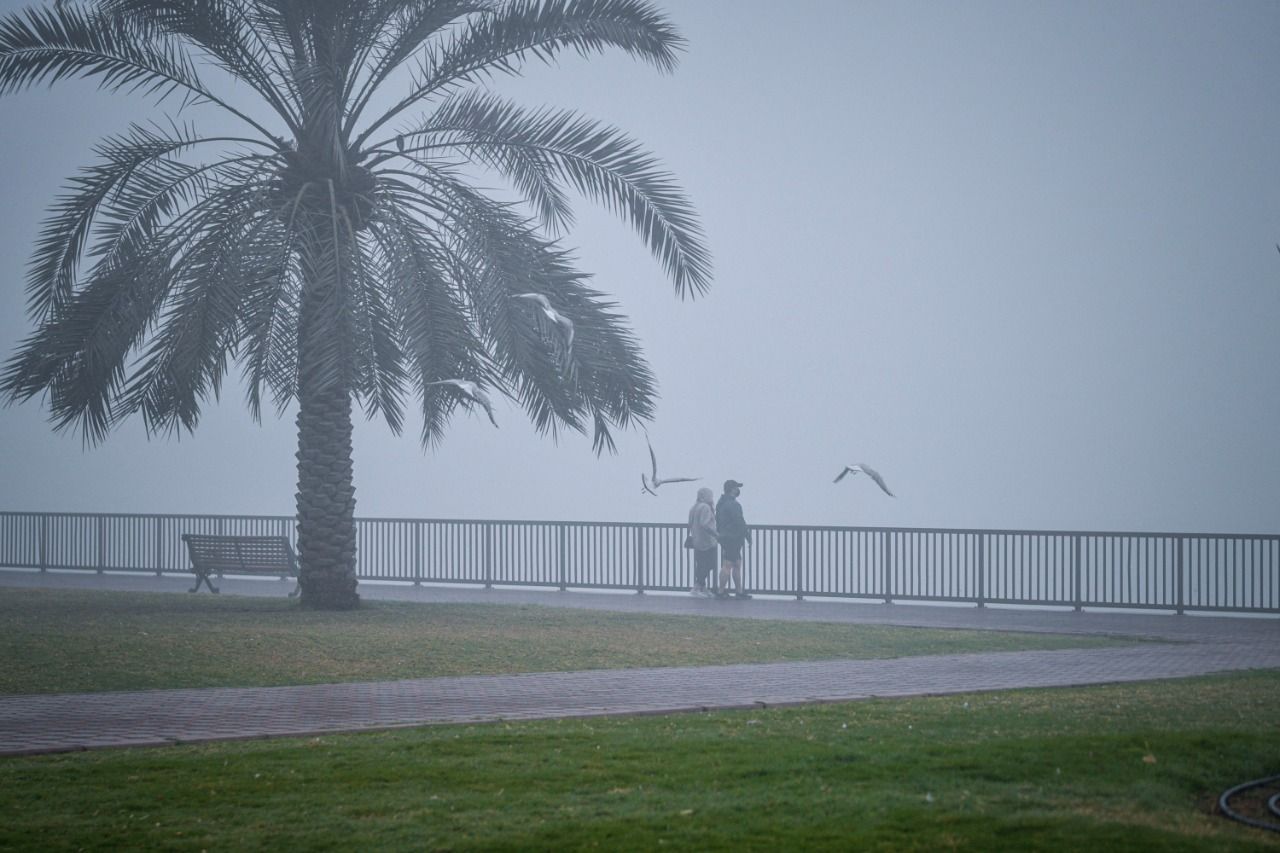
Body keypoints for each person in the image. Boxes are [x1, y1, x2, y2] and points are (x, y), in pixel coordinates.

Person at [715, 479, 751, 599]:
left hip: (725, 537)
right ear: (732, 489)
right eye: (736, 488)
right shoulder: (733, 504)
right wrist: (748, 536)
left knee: (736, 563)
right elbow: (739, 521)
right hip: (733, 538)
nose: (738, 490)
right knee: (728, 564)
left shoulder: (721, 502)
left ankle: (738, 591)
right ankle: (721, 592)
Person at [686, 487, 719, 597]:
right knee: (710, 564)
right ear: (705, 496)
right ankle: (696, 587)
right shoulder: (705, 507)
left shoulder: (694, 507)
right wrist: (716, 534)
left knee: (701, 564)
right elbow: (704, 524)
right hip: (707, 540)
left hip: (697, 540)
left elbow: (690, 523)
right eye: (710, 496)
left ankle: (703, 588)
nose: (712, 498)